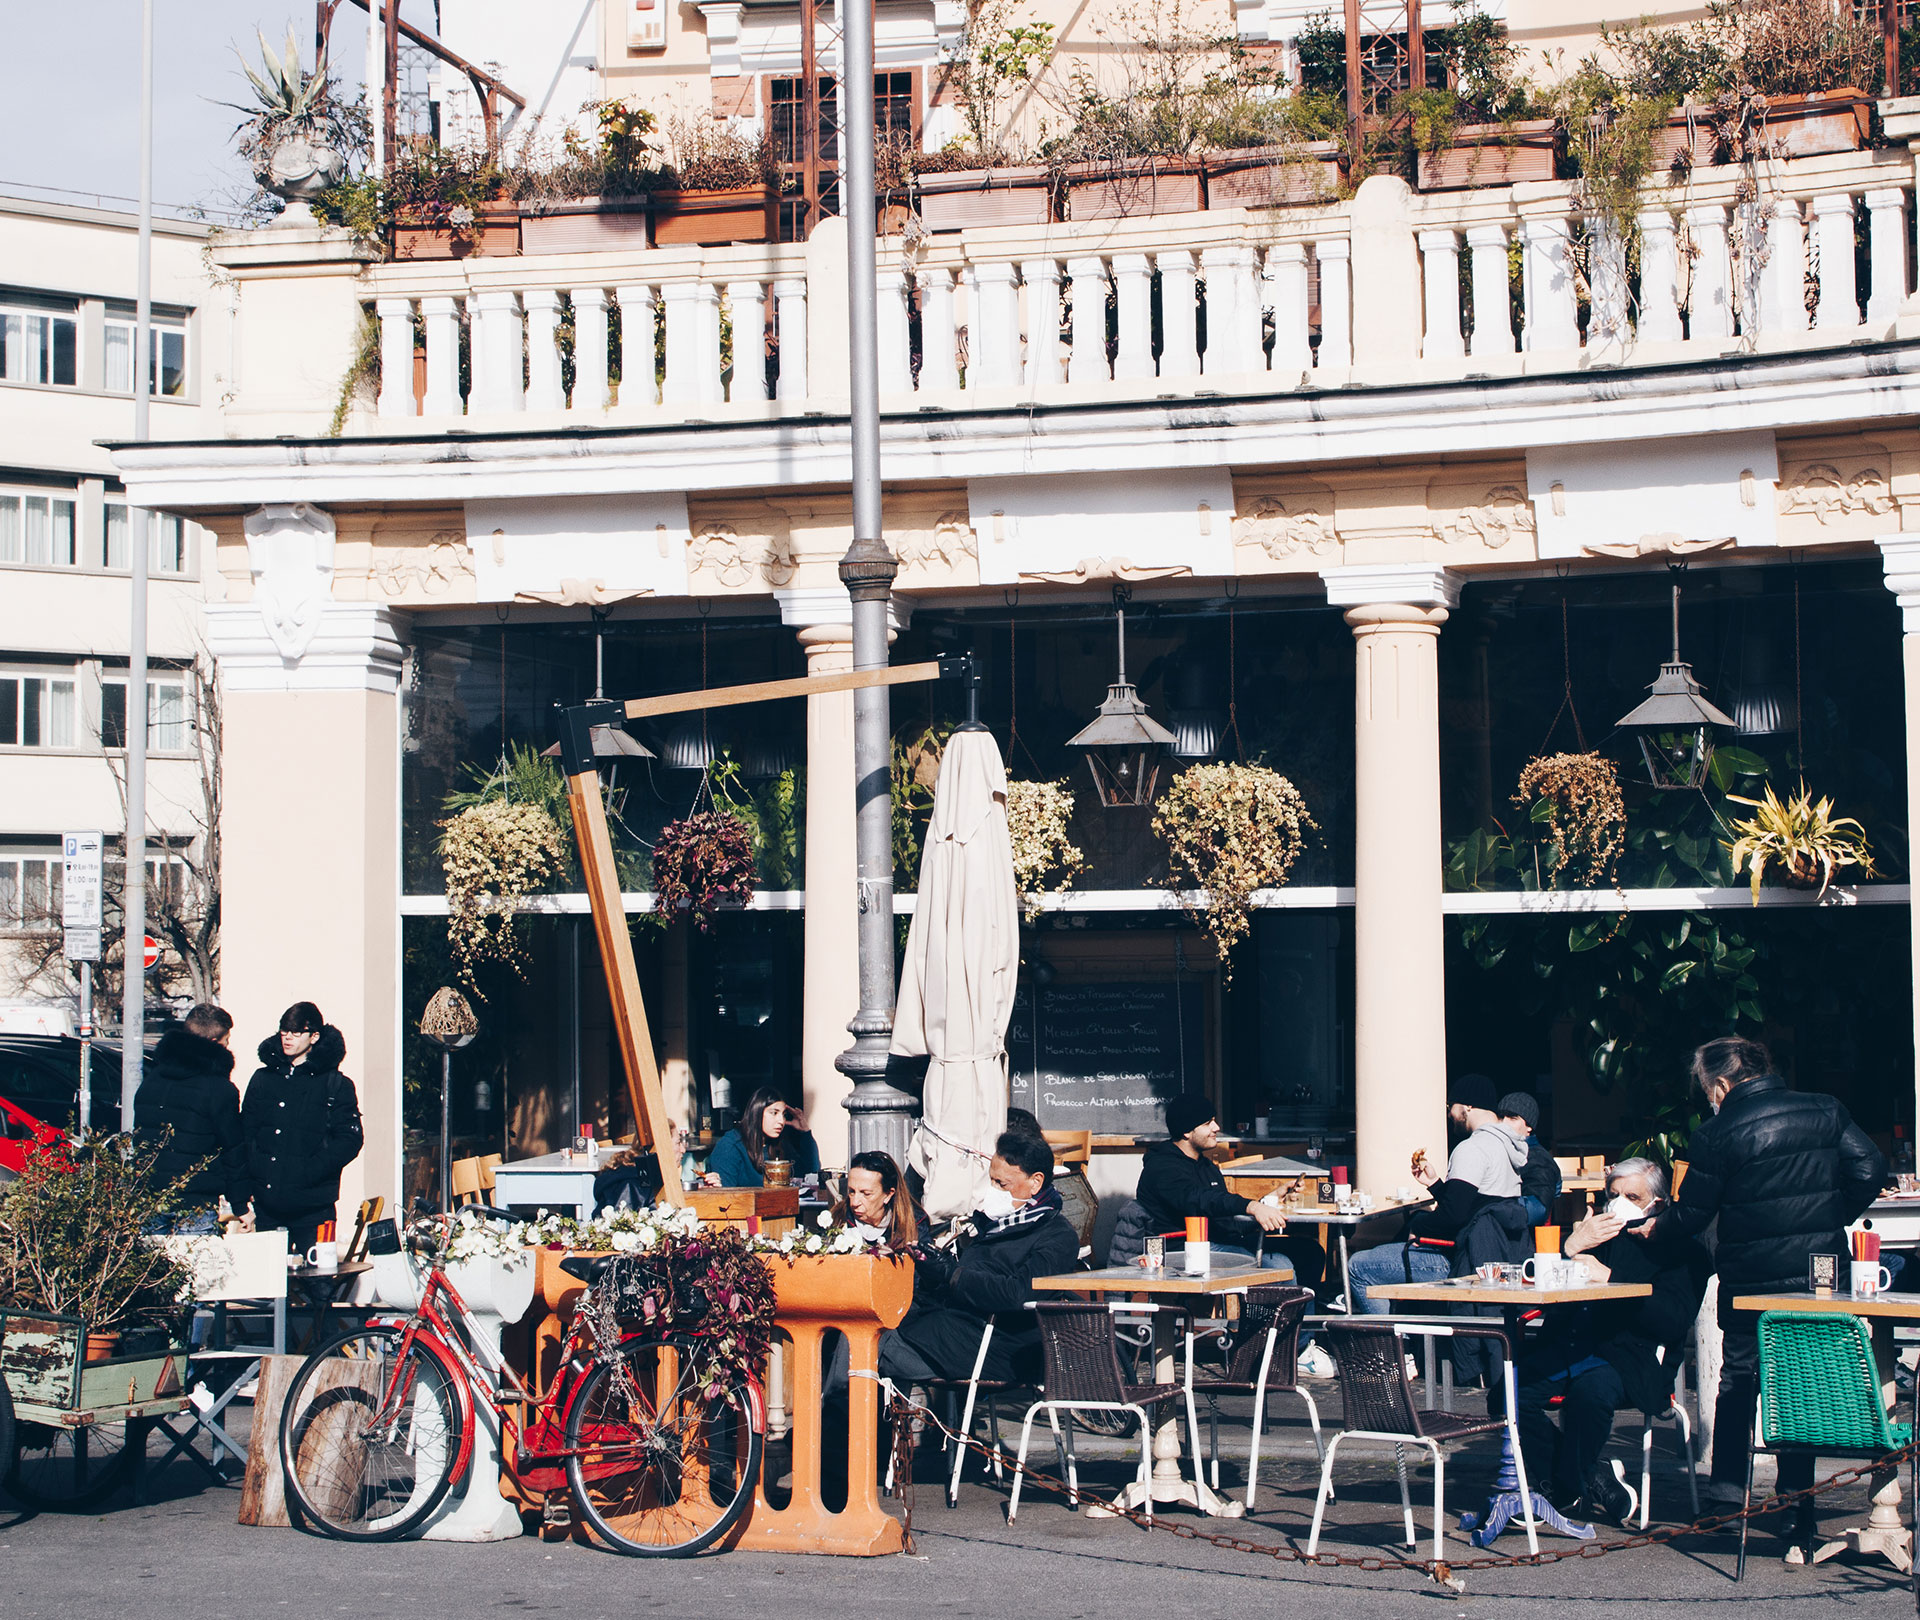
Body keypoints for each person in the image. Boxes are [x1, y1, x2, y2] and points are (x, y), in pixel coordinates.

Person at [1649, 1035, 1887, 1559]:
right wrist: (1827, 1217)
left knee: (1739, 1381)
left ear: (1720, 1084)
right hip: (1820, 1271)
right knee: (1802, 1382)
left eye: (1706, 1089)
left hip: (1750, 1275)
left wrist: (1654, 1228)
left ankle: (1726, 1499)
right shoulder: (1824, 1109)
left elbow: (1693, 1214)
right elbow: (1871, 1170)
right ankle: (1797, 1507)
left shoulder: (1716, 1133)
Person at [1510, 1158, 1711, 1525]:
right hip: (1574, 1345)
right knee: (1508, 1394)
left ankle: (1566, 1492)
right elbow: (1536, 1286)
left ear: (1658, 1204)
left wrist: (1610, 1278)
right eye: (1613, 1195)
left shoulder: (1684, 1251)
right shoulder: (1597, 1236)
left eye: (1632, 1197)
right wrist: (1570, 1247)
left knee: (1589, 1395)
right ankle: (1591, 1475)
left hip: (1633, 1355)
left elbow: (1671, 1320)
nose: (1619, 1204)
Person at [882, 1131, 1079, 1385]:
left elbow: (1019, 1293)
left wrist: (952, 1275)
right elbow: (968, 1274)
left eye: (1002, 1184)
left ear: (1035, 1182)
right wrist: (932, 1268)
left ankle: (841, 1402)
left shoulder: (1057, 1235)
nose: (993, 1190)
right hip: (958, 1330)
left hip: (1000, 1346)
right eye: (992, 1180)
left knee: (874, 1347)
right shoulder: (995, 1222)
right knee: (874, 1327)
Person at [1347, 1081, 1532, 1313]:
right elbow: (1475, 1206)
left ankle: (1390, 1337)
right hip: (1495, 1256)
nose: (1449, 1114)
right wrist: (1435, 1185)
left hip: (1461, 1261)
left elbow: (1454, 1216)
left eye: (1450, 1106)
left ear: (1467, 1106)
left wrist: (1418, 1225)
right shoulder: (1508, 1148)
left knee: (1359, 1267)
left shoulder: (1472, 1149)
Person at [1134, 1094, 1312, 1285]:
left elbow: (1225, 1218)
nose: (1216, 1127)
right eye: (1208, 1123)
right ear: (1186, 1131)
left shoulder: (1205, 1166)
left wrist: (1269, 1200)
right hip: (1181, 1251)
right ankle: (1271, 1306)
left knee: (1308, 1251)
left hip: (1218, 1241)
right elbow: (1199, 1200)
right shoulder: (1162, 1167)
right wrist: (1251, 1206)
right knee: (1279, 1265)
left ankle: (1305, 1305)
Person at [239, 1002, 365, 1252]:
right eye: (284, 1031)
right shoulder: (263, 1079)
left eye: (296, 1032)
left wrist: (309, 1171)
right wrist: (253, 1179)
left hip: (314, 1207)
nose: (288, 1037)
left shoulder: (335, 1083)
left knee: (319, 1275)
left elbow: (349, 1140)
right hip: (268, 1204)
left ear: (314, 1036)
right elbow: (246, 1133)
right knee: (270, 1276)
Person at [134, 1003, 248, 1234]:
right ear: (215, 1043)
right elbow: (232, 1149)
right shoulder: (219, 1089)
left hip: (151, 1197)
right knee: (197, 1258)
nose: (228, 1046)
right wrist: (240, 1204)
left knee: (152, 1258)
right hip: (196, 1202)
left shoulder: (151, 1080)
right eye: (226, 1041)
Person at [705, 1087, 821, 1187]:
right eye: (774, 1113)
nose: (781, 1121)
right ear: (757, 1112)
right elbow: (725, 1195)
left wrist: (805, 1132)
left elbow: (810, 1175)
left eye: (783, 1115)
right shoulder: (730, 1146)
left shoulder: (778, 1144)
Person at [833, 1149, 924, 1246]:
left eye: (866, 1194)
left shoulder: (915, 1223)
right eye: (852, 1192)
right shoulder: (837, 1218)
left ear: (888, 1194)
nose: (854, 1203)